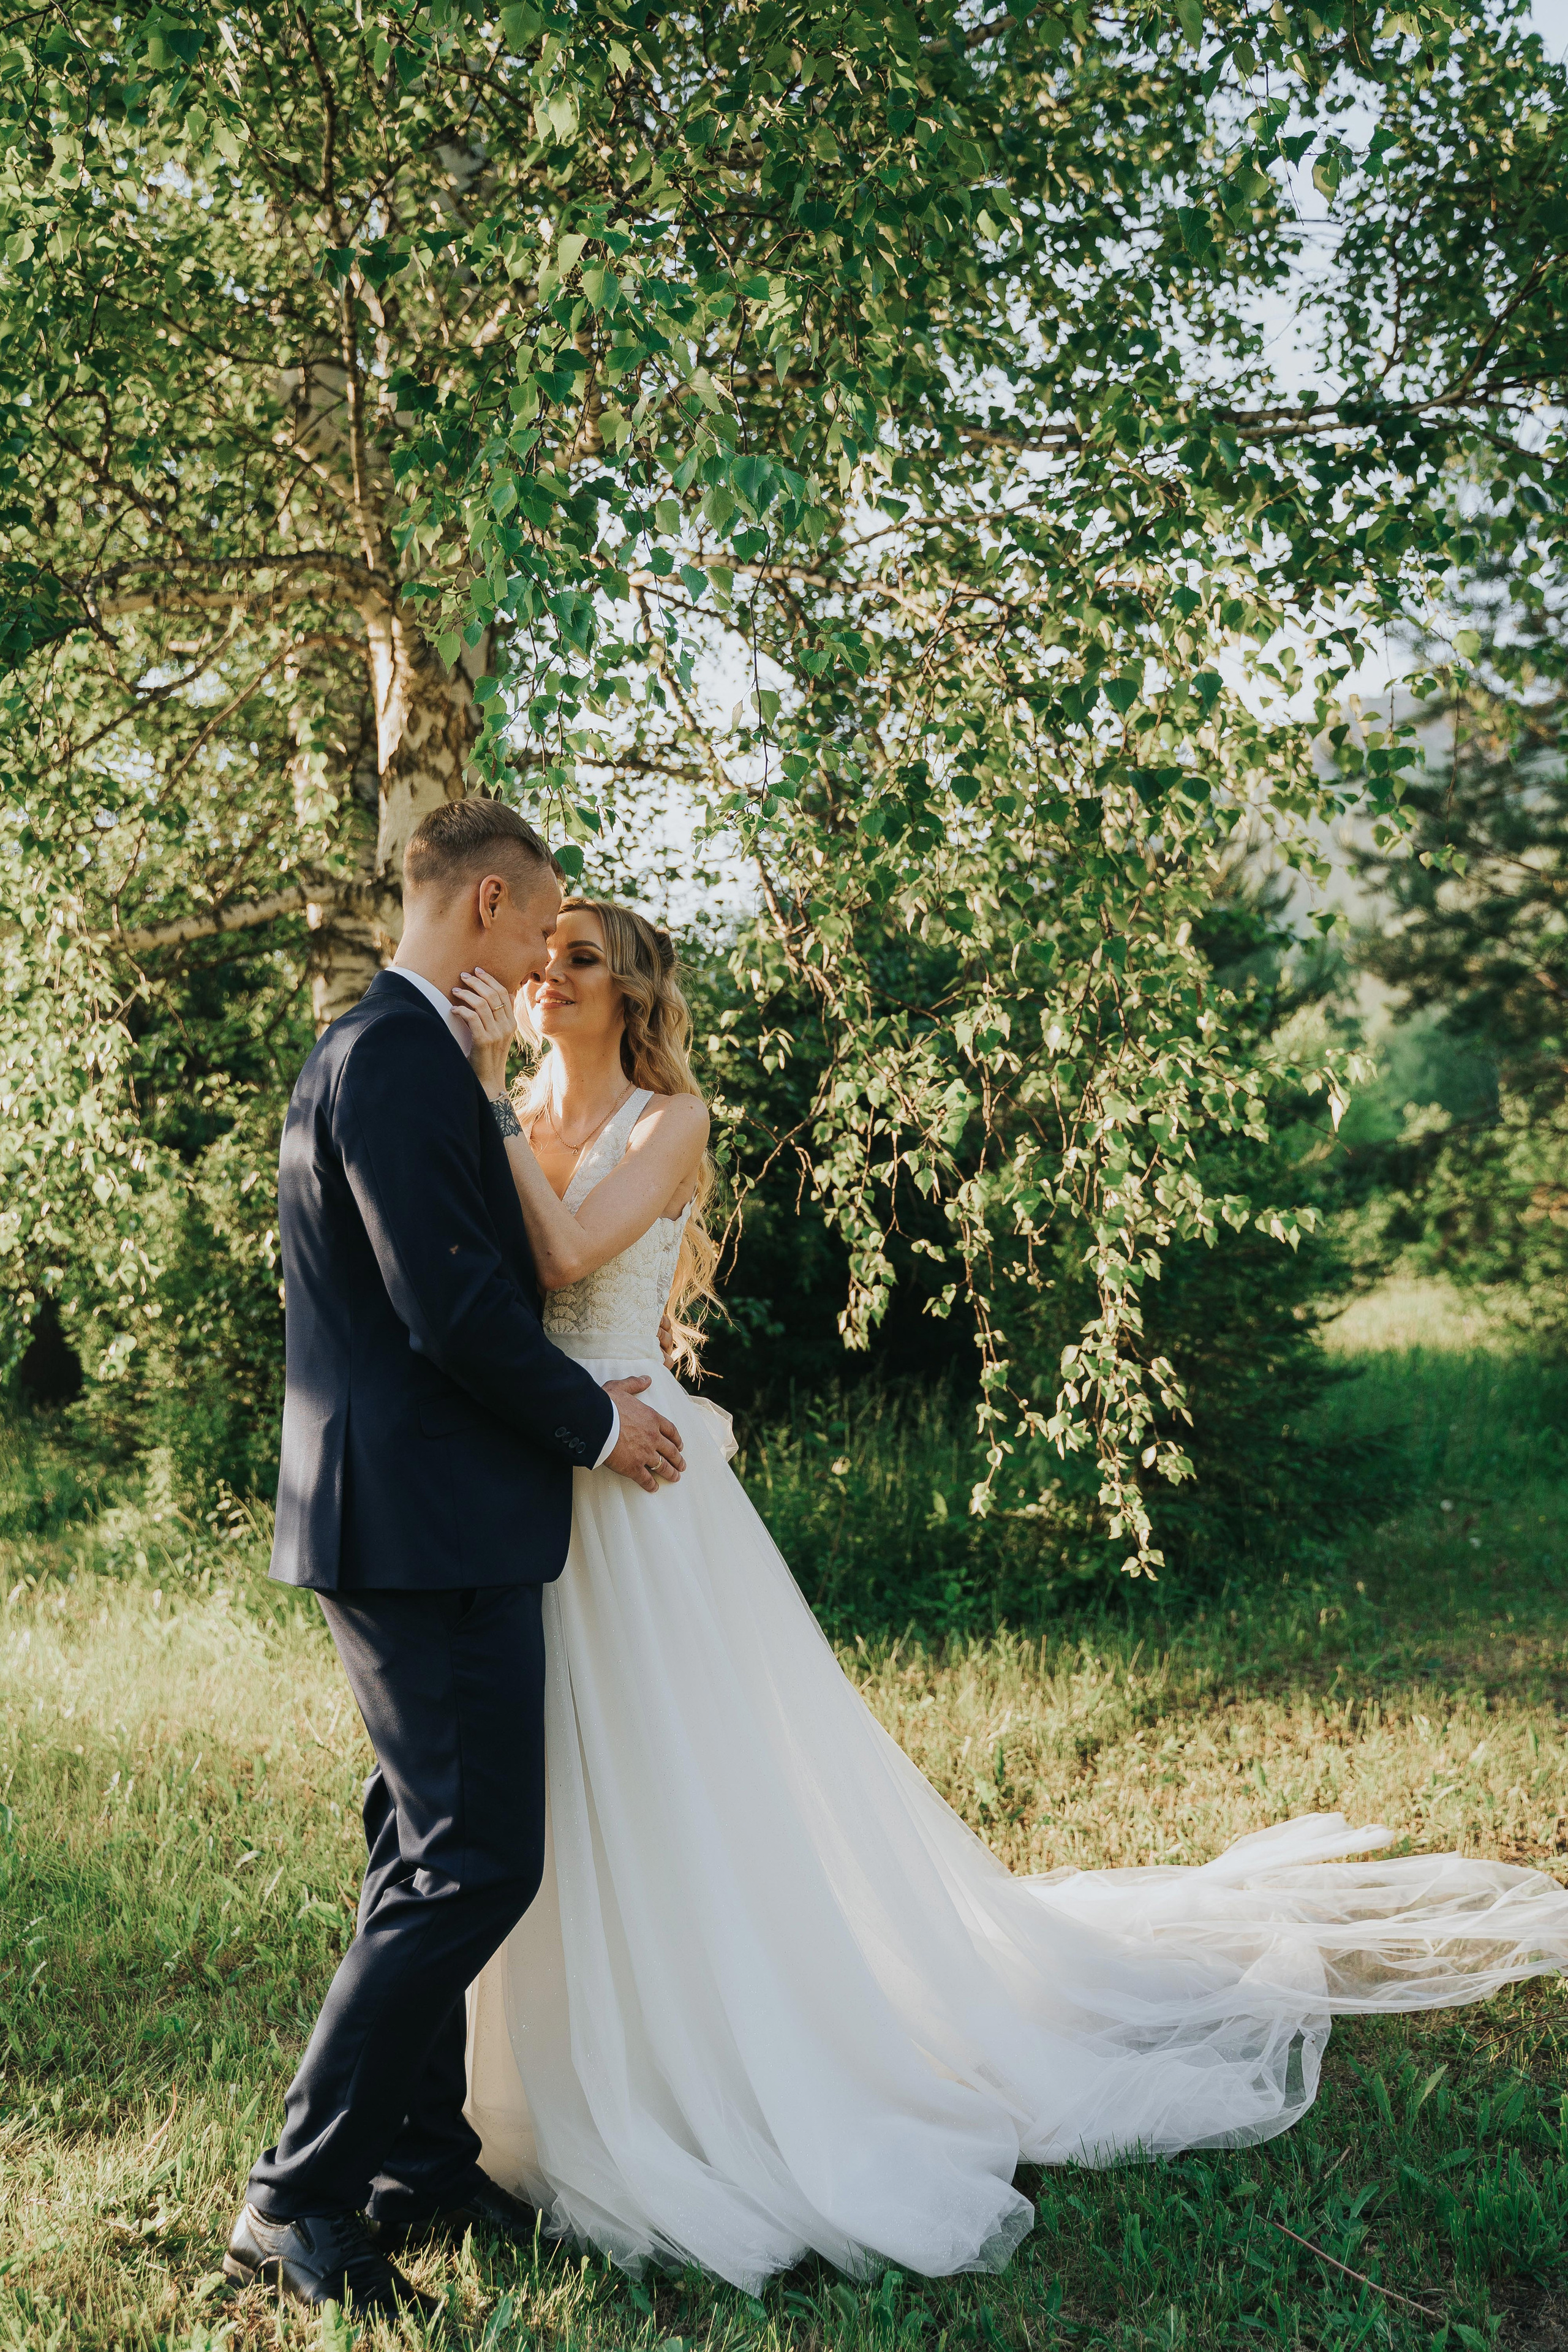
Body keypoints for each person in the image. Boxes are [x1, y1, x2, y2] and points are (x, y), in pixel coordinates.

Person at [447, 897, 1568, 2296]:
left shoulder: (665, 1123)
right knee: (541, 1785)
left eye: (581, 959)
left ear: (633, 991)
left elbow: (560, 1262)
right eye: (541, 953)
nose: (547, 975)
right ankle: (530, 2083)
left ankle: (713, 2059)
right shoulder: (484, 1104)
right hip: (531, 1483)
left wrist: (489, 1095)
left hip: (645, 1495)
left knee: (673, 1780)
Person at [224, 804, 688, 2320]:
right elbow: (454, 1309)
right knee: (474, 1861)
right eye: (536, 924)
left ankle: (418, 2154)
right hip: (425, 1520)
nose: (542, 958)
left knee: (416, 1847)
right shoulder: (403, 1061)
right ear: (487, 904)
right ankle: (298, 2203)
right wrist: (589, 1424)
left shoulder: (383, 1049)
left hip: (402, 1509)